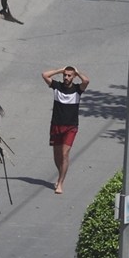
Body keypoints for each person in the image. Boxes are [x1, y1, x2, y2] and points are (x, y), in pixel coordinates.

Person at [42, 65, 89, 194]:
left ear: (73, 77)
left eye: (69, 75)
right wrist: (59, 70)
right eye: (65, 75)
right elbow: (45, 75)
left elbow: (86, 81)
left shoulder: (78, 89)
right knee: (57, 155)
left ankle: (60, 183)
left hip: (71, 127)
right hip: (56, 125)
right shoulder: (57, 86)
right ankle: (60, 173)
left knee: (64, 154)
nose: (66, 77)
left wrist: (78, 72)